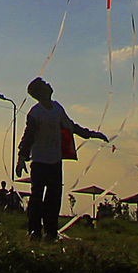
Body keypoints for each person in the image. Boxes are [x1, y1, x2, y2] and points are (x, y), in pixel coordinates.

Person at [15, 77, 108, 241]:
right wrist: (22, 158)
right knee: (37, 197)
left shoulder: (57, 109)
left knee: (54, 197)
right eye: (45, 84)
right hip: (39, 161)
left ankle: (51, 232)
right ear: (40, 92)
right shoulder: (35, 113)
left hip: (55, 161)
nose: (49, 84)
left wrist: (93, 134)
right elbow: (27, 137)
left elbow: (71, 127)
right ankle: (34, 231)